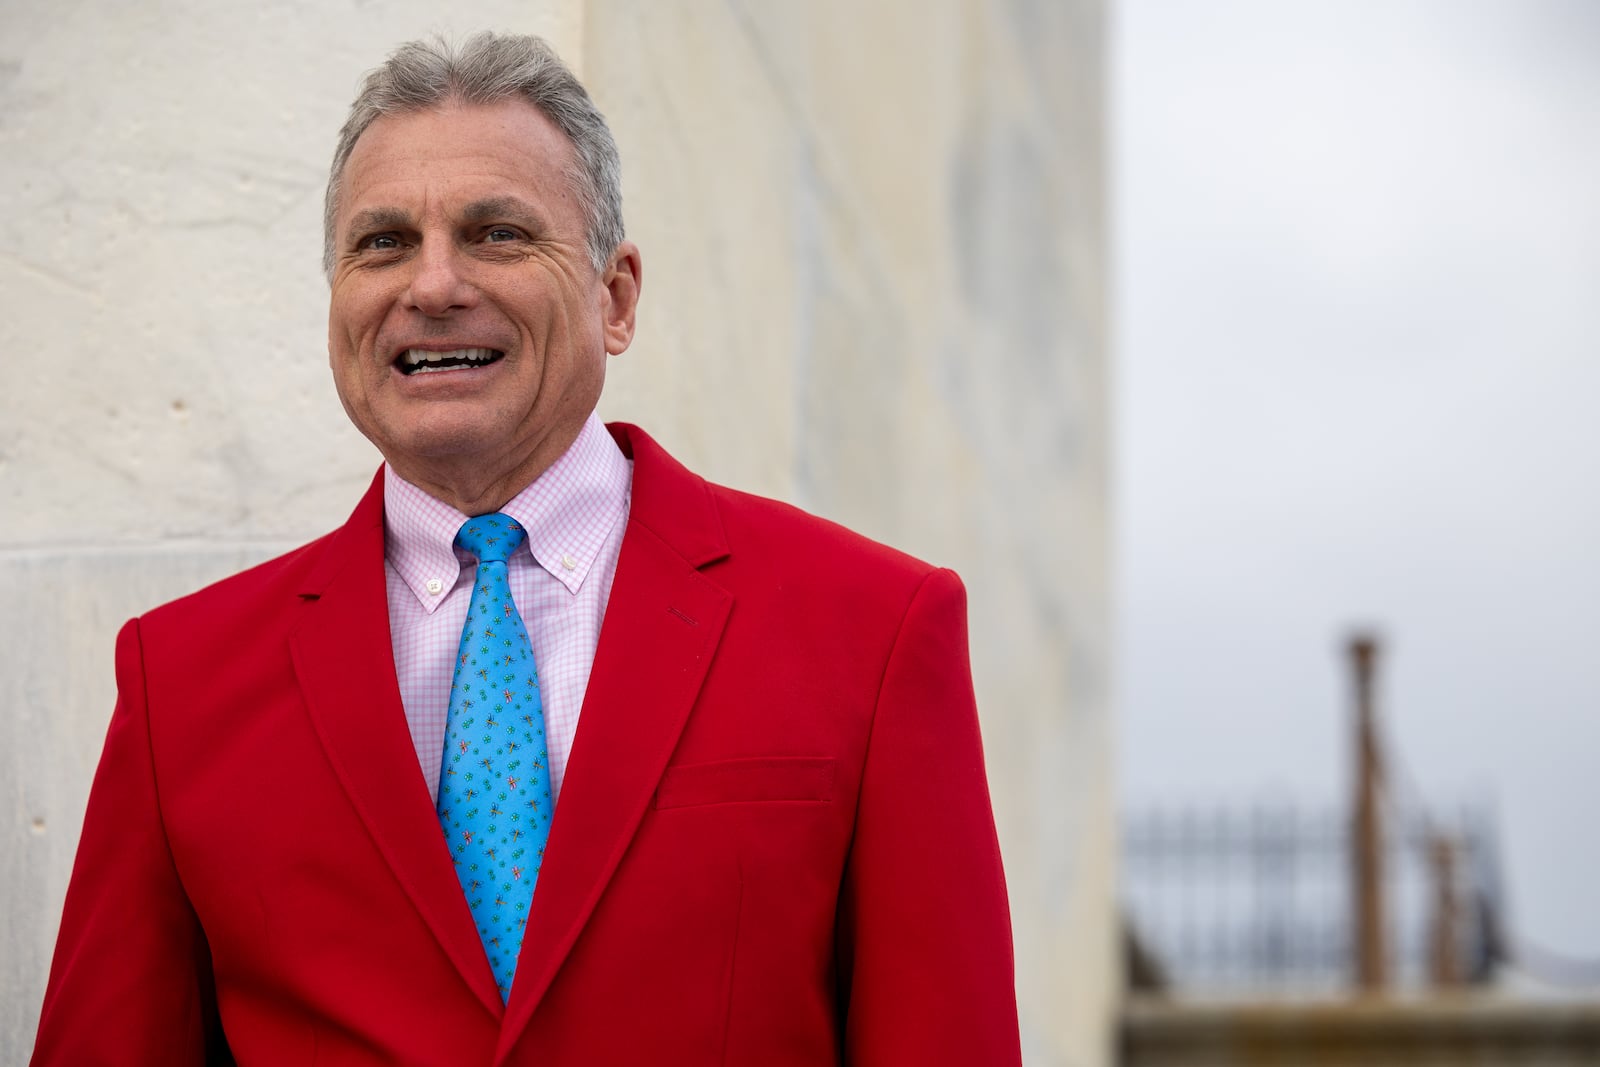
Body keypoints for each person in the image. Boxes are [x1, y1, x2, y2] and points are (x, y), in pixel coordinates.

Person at [32, 32, 1020, 1066]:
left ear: (616, 297)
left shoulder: (870, 627)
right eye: (380, 244)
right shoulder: (180, 681)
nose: (433, 284)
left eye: (496, 232)